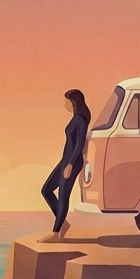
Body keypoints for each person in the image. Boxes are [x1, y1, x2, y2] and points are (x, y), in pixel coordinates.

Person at [41, 89, 92, 236]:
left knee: (63, 195)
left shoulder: (80, 119)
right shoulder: (76, 117)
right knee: (46, 190)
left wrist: (70, 164)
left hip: (72, 162)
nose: (65, 104)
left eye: (67, 101)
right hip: (66, 160)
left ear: (74, 102)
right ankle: (62, 222)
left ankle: (57, 233)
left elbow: (79, 143)